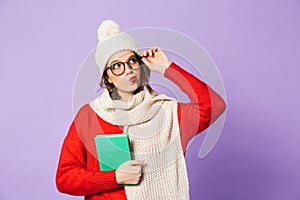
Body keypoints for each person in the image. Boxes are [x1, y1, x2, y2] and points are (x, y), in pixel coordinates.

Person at [56, 20, 226, 200]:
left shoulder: (168, 114)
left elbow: (214, 105)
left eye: (132, 61)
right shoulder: (89, 116)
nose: (128, 70)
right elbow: (65, 179)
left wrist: (167, 68)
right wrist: (115, 178)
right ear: (108, 77)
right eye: (117, 66)